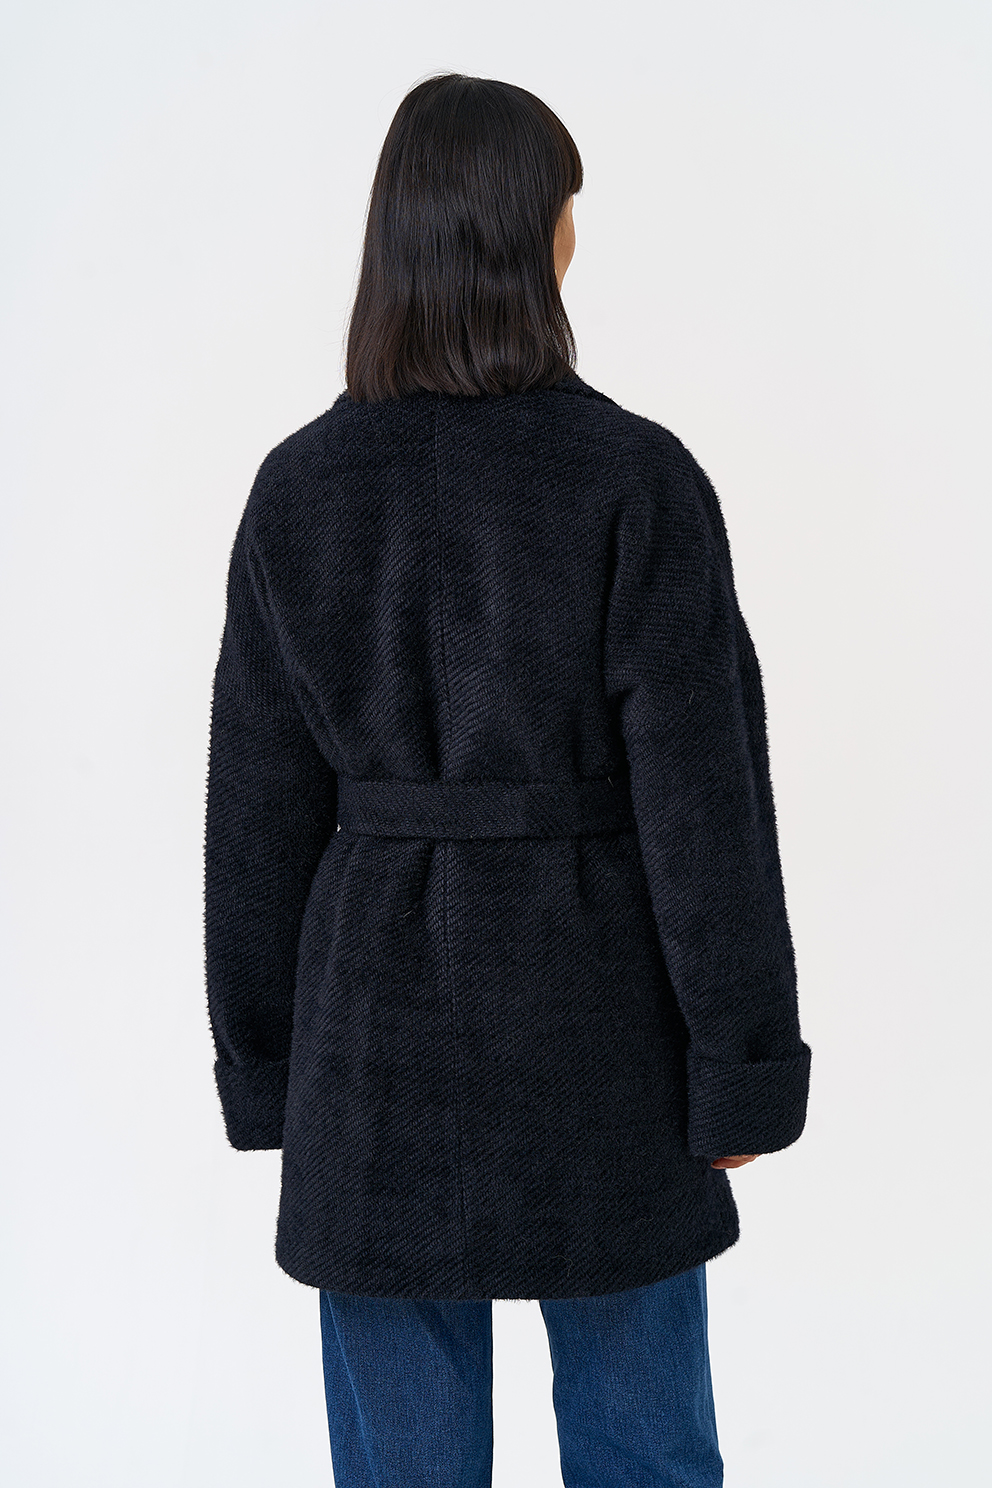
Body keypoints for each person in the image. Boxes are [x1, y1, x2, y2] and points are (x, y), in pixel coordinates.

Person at [204, 71, 811, 1488]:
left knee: (402, 1469)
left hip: (371, 1043)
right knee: (646, 1452)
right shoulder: (636, 481)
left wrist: (267, 1067)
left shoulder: (299, 491)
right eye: (569, 207)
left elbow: (256, 818)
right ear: (531, 233)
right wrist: (736, 1066)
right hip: (603, 1036)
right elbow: (706, 810)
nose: (577, 234)